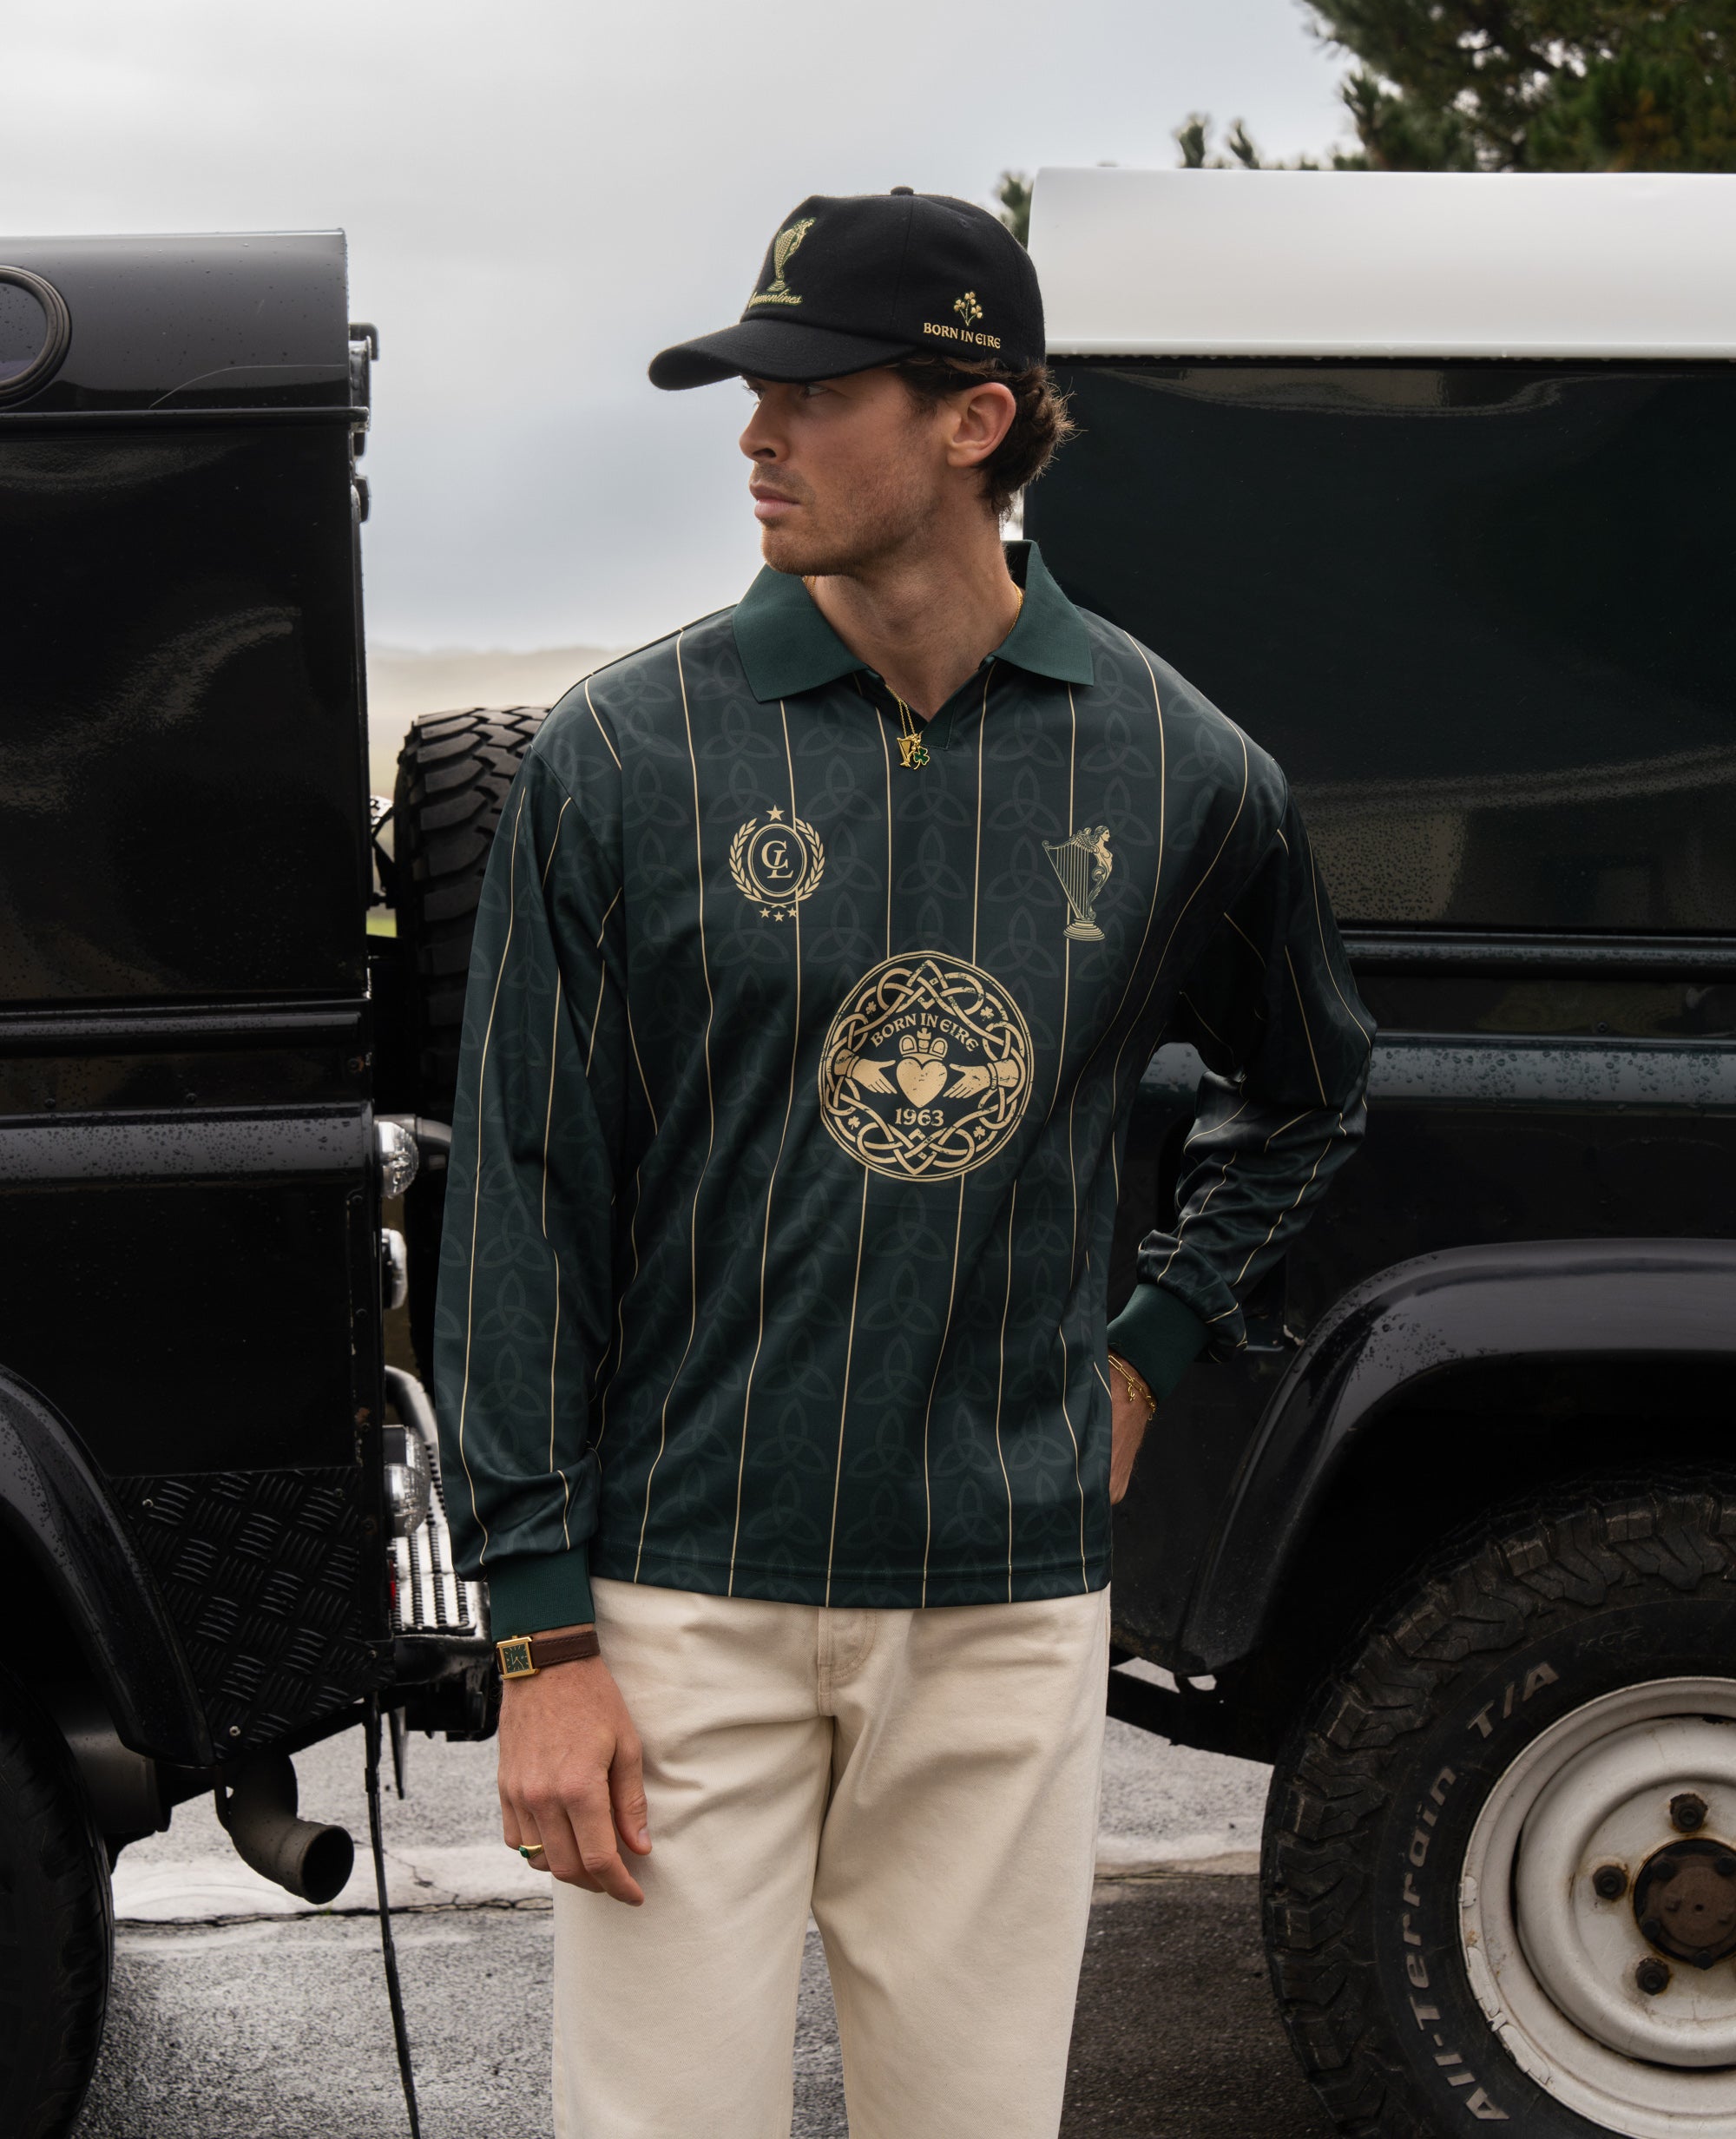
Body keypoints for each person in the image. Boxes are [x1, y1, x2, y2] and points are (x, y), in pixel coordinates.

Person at [435, 186, 1373, 2139]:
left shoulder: (1184, 768)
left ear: (973, 419)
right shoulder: (624, 757)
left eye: (812, 392)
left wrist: (1151, 1351)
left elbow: (1306, 1089)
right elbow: (525, 1201)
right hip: (683, 1591)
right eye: (749, 392)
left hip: (1003, 1602)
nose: (756, 436)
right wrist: (541, 1636)